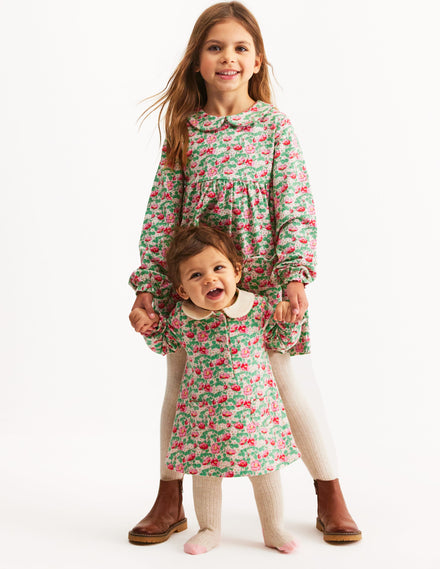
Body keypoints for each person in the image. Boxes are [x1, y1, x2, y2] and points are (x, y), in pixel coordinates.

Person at [128, 0, 361, 545]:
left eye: (240, 48)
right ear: (198, 60)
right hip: (195, 282)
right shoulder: (185, 131)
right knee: (181, 386)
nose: (227, 58)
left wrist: (294, 276)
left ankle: (329, 493)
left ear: (257, 61)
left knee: (286, 382)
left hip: (262, 281)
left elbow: (295, 208)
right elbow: (161, 214)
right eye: (215, 48)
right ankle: (169, 497)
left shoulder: (274, 128)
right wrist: (148, 288)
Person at [130, 225, 302, 554]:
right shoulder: (183, 318)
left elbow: (281, 342)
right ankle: (208, 529)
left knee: (265, 471)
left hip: (255, 413)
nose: (209, 279)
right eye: (196, 275)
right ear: (182, 290)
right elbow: (165, 342)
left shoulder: (257, 308)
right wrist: (148, 327)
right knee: (205, 473)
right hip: (203, 416)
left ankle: (273, 528)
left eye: (218, 268)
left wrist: (288, 321)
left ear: (236, 271)